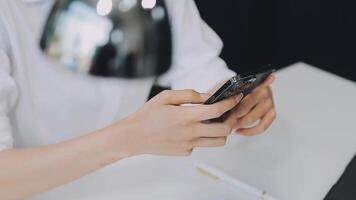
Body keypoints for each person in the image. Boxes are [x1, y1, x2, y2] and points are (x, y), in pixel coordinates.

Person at [0, 0, 276, 199]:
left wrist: (234, 94)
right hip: (35, 187)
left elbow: (196, 62)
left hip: (128, 180)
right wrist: (128, 139)